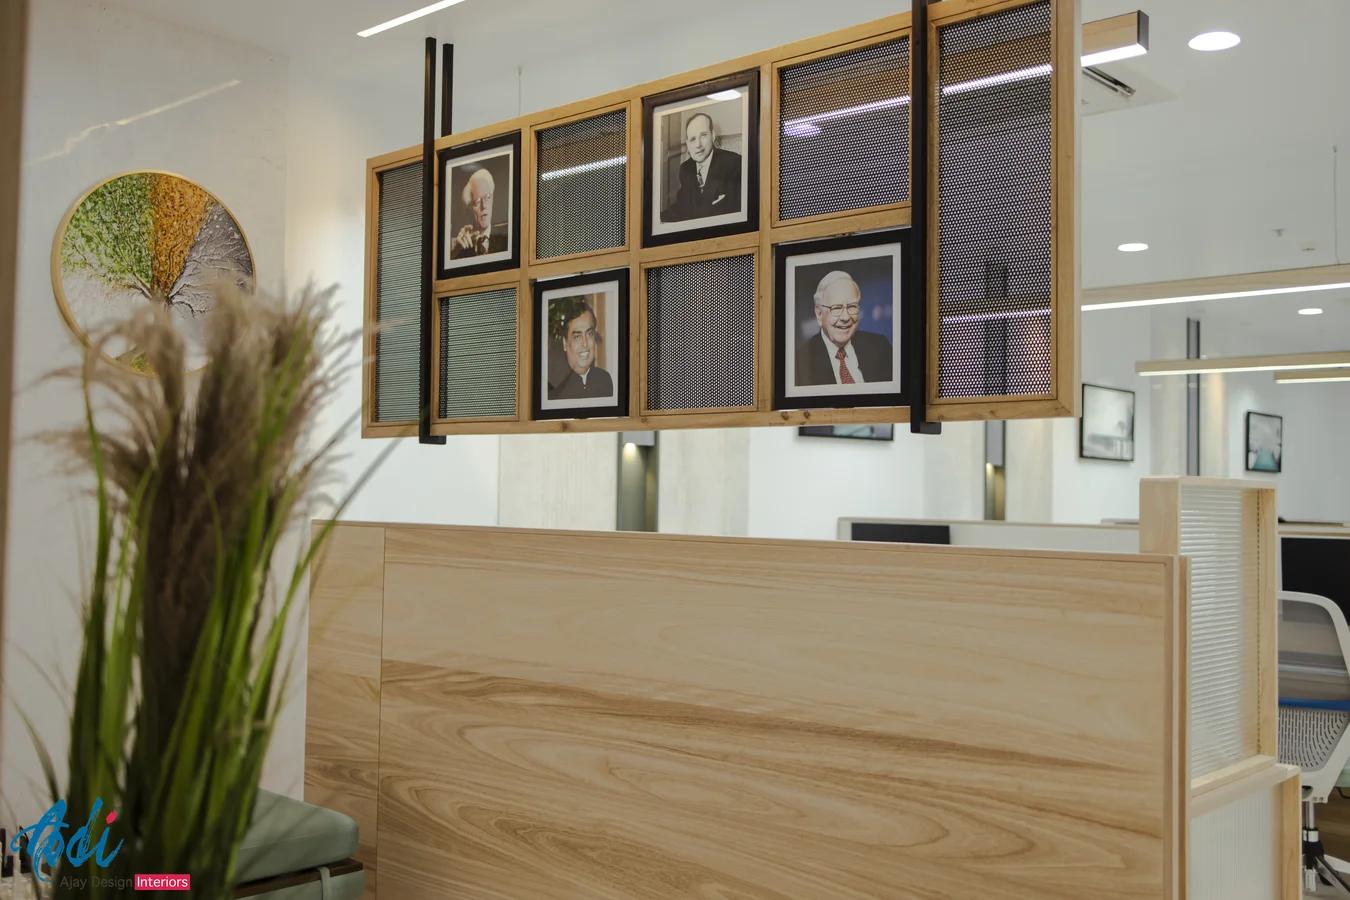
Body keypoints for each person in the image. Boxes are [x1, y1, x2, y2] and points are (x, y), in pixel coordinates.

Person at [795, 270, 893, 387]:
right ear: (819, 314)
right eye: (836, 308)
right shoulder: (800, 362)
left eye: (852, 306)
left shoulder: (880, 346)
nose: (846, 317)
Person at [663, 111, 742, 222]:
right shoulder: (685, 169)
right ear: (688, 144)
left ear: (713, 136)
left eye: (703, 135)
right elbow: (681, 208)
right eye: (693, 139)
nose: (698, 144)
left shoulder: (734, 163)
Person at [551, 301, 614, 400]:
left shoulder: (605, 380)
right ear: (565, 343)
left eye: (589, 334)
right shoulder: (555, 392)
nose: (585, 343)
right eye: (577, 337)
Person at [450, 167, 508, 259]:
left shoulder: (507, 240)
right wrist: (455, 250)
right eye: (477, 202)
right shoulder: (460, 248)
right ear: (469, 209)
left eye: (487, 197)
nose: (484, 206)